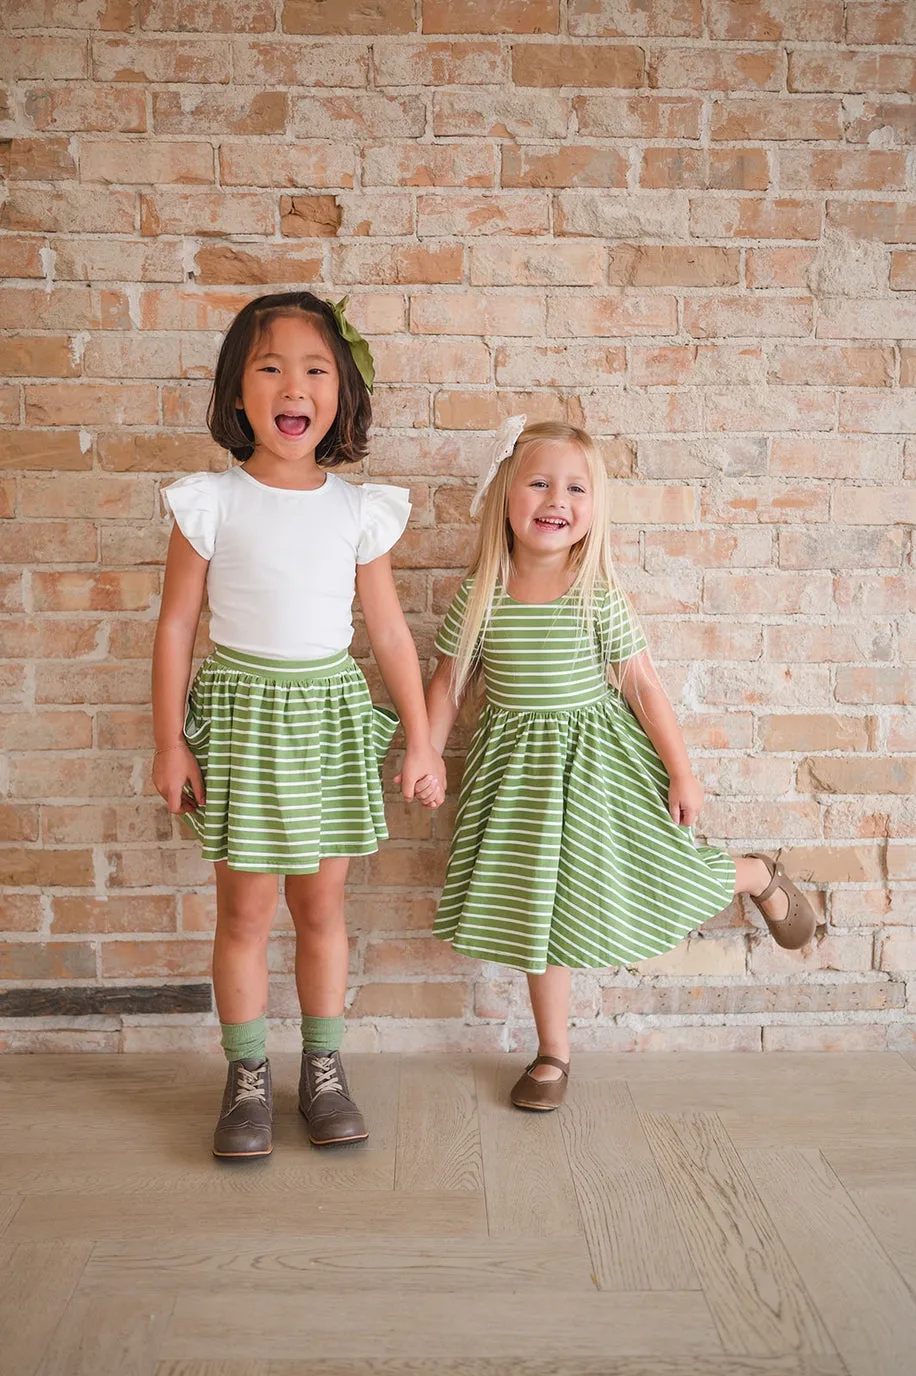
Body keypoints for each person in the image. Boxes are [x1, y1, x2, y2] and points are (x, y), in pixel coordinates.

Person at [425, 418, 824, 1112]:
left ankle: (754, 873)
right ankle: (553, 1052)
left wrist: (682, 769)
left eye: (576, 487)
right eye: (540, 482)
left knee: (654, 876)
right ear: (506, 496)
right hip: (518, 781)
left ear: (593, 508)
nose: (557, 498)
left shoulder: (593, 592)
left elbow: (641, 685)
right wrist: (426, 752)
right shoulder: (479, 595)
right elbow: (448, 685)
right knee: (536, 913)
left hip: (598, 771)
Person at [152, 291, 445, 1159]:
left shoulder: (358, 511)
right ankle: (246, 1078)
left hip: (327, 725)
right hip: (242, 724)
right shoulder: (210, 502)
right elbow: (174, 626)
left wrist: (423, 738)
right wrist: (169, 741)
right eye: (270, 365)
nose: (293, 384)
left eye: (315, 368)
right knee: (244, 914)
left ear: (341, 395)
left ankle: (323, 1067)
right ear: (237, 391)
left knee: (321, 908)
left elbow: (388, 631)